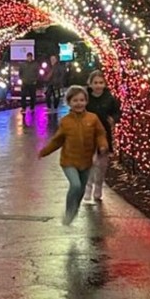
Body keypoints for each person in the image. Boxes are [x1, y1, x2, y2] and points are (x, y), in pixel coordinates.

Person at [38, 86, 108, 225]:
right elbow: (57, 140)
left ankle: (75, 209)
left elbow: (100, 133)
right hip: (69, 160)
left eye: (82, 100)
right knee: (75, 185)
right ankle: (69, 211)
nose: (79, 103)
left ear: (86, 101)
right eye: (75, 100)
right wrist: (44, 151)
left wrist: (102, 145)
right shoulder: (65, 121)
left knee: (81, 189)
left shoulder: (93, 118)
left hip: (86, 161)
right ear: (69, 102)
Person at [82, 70, 121, 204]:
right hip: (88, 134)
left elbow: (117, 112)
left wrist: (113, 119)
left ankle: (98, 186)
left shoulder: (109, 98)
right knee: (90, 162)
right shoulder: (86, 98)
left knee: (102, 163)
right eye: (95, 83)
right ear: (90, 84)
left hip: (104, 134)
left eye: (101, 83)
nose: (98, 85)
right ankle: (88, 187)